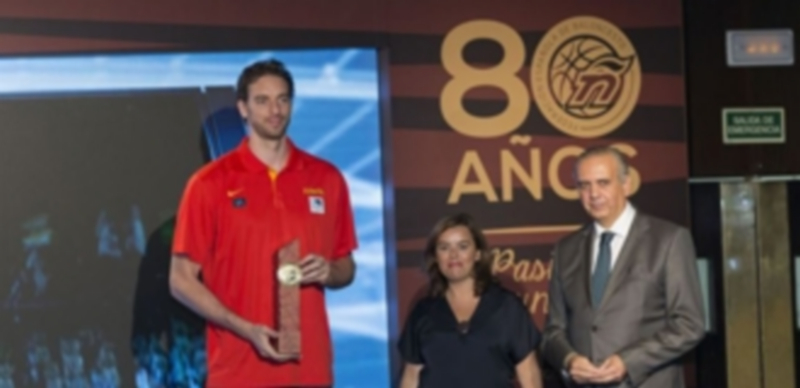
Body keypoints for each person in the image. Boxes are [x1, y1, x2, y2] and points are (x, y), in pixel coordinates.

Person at [169, 59, 358, 388]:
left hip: (310, 371)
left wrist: (330, 271)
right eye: (262, 100)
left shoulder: (327, 178)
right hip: (239, 371)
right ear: (243, 108)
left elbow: (346, 266)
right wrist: (242, 327)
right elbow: (180, 281)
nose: (275, 110)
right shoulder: (209, 184)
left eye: (283, 99)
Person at [541, 146, 705, 388]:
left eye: (603, 183)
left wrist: (629, 361)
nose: (593, 193)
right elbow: (553, 331)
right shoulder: (566, 249)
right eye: (584, 185)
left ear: (626, 184)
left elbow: (689, 324)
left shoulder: (668, 240)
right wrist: (569, 359)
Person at [398, 213, 543, 388]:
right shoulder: (422, 312)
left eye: (463, 246)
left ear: (478, 254)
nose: (453, 255)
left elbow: (529, 376)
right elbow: (411, 377)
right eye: (444, 248)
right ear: (435, 257)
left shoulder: (507, 307)